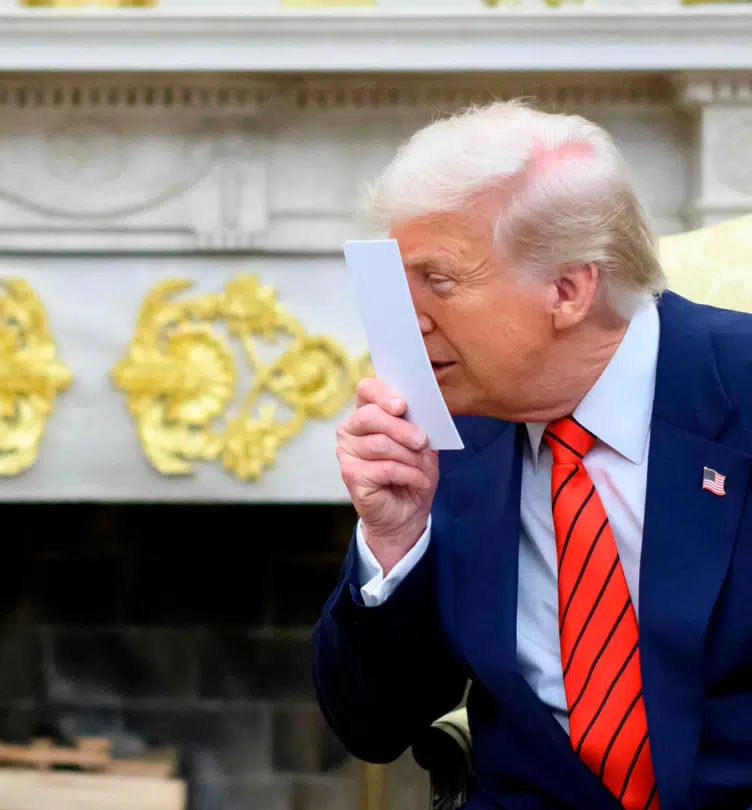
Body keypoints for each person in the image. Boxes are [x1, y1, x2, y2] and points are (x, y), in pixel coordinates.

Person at [315, 99, 752, 810]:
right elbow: (373, 725)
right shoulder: (446, 432)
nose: (408, 318)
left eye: (440, 281)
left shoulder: (739, 388)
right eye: (396, 282)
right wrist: (393, 543)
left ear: (569, 290)